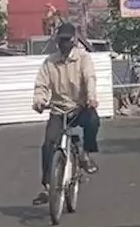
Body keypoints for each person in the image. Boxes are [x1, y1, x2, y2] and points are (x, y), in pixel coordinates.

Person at [31, 22, 100, 205]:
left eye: (67, 40)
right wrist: (39, 101)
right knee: (48, 145)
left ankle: (85, 154)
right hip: (58, 110)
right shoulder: (50, 62)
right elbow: (42, 85)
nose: (64, 44)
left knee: (93, 120)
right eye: (60, 41)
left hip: (80, 108)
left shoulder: (83, 58)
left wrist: (91, 98)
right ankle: (48, 185)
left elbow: (89, 78)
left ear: (74, 40)